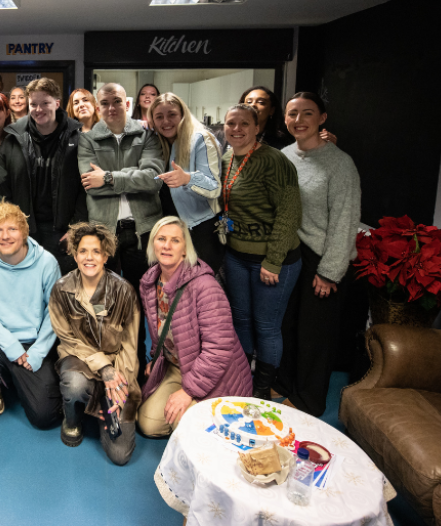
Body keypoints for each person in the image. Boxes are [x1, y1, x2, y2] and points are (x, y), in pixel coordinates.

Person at [276, 92, 361, 416]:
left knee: (315, 336)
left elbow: (345, 220)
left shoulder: (340, 164)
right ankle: (284, 385)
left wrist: (329, 272)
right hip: (291, 254)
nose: (299, 120)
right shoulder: (284, 156)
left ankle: (308, 400)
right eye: (292, 114)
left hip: (322, 258)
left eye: (307, 113)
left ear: (322, 118)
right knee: (287, 327)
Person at [137, 217, 252, 437]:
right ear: (153, 244)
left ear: (185, 249)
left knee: (184, 425)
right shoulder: (150, 283)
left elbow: (218, 351)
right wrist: (156, 358)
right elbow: (161, 330)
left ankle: (202, 423)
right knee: (148, 423)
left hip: (214, 374)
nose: (167, 245)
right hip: (177, 367)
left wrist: (188, 392)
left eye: (175, 240)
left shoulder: (205, 287)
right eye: (161, 239)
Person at [220, 104, 302, 400]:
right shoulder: (228, 157)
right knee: (240, 319)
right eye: (231, 123)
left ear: (257, 128)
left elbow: (290, 213)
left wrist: (274, 260)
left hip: (273, 260)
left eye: (244, 124)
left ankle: (262, 388)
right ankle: (243, 378)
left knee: (266, 326)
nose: (237, 129)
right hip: (237, 257)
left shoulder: (274, 161)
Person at [0, 201, 62, 428]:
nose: (5, 236)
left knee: (45, 417)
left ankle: (10, 377)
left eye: (12, 229)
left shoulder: (47, 263)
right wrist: (10, 345)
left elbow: (55, 311)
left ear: (24, 232)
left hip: (33, 343)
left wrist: (38, 351)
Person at [49, 222, 140, 465]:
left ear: (106, 255)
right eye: (83, 251)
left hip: (117, 366)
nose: (89, 257)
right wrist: (104, 368)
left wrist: (122, 384)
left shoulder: (124, 291)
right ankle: (72, 418)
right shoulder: (61, 290)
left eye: (96, 251)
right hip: (78, 360)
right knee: (75, 385)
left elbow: (131, 346)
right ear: (74, 254)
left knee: (120, 456)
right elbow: (68, 340)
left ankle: (103, 402)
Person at [0, 77, 83, 274]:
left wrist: (76, 228)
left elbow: (86, 189)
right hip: (24, 232)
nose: (39, 109)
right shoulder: (14, 139)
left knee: (60, 292)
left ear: (57, 104)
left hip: (63, 233)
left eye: (45, 103)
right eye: (33, 104)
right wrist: (10, 229)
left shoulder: (77, 138)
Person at [78, 83, 163, 288]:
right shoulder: (88, 140)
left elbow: (153, 179)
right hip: (104, 229)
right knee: (106, 297)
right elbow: (92, 185)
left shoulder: (147, 135)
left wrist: (108, 178)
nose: (111, 108)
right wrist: (134, 178)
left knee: (143, 294)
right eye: (105, 103)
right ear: (98, 108)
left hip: (142, 229)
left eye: (117, 101)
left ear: (126, 103)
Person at [148, 92, 225, 274]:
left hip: (200, 231)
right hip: (174, 229)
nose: (166, 121)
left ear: (183, 114)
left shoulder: (201, 138)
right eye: (159, 117)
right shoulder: (164, 142)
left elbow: (214, 187)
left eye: (172, 114)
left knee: (200, 290)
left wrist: (188, 179)